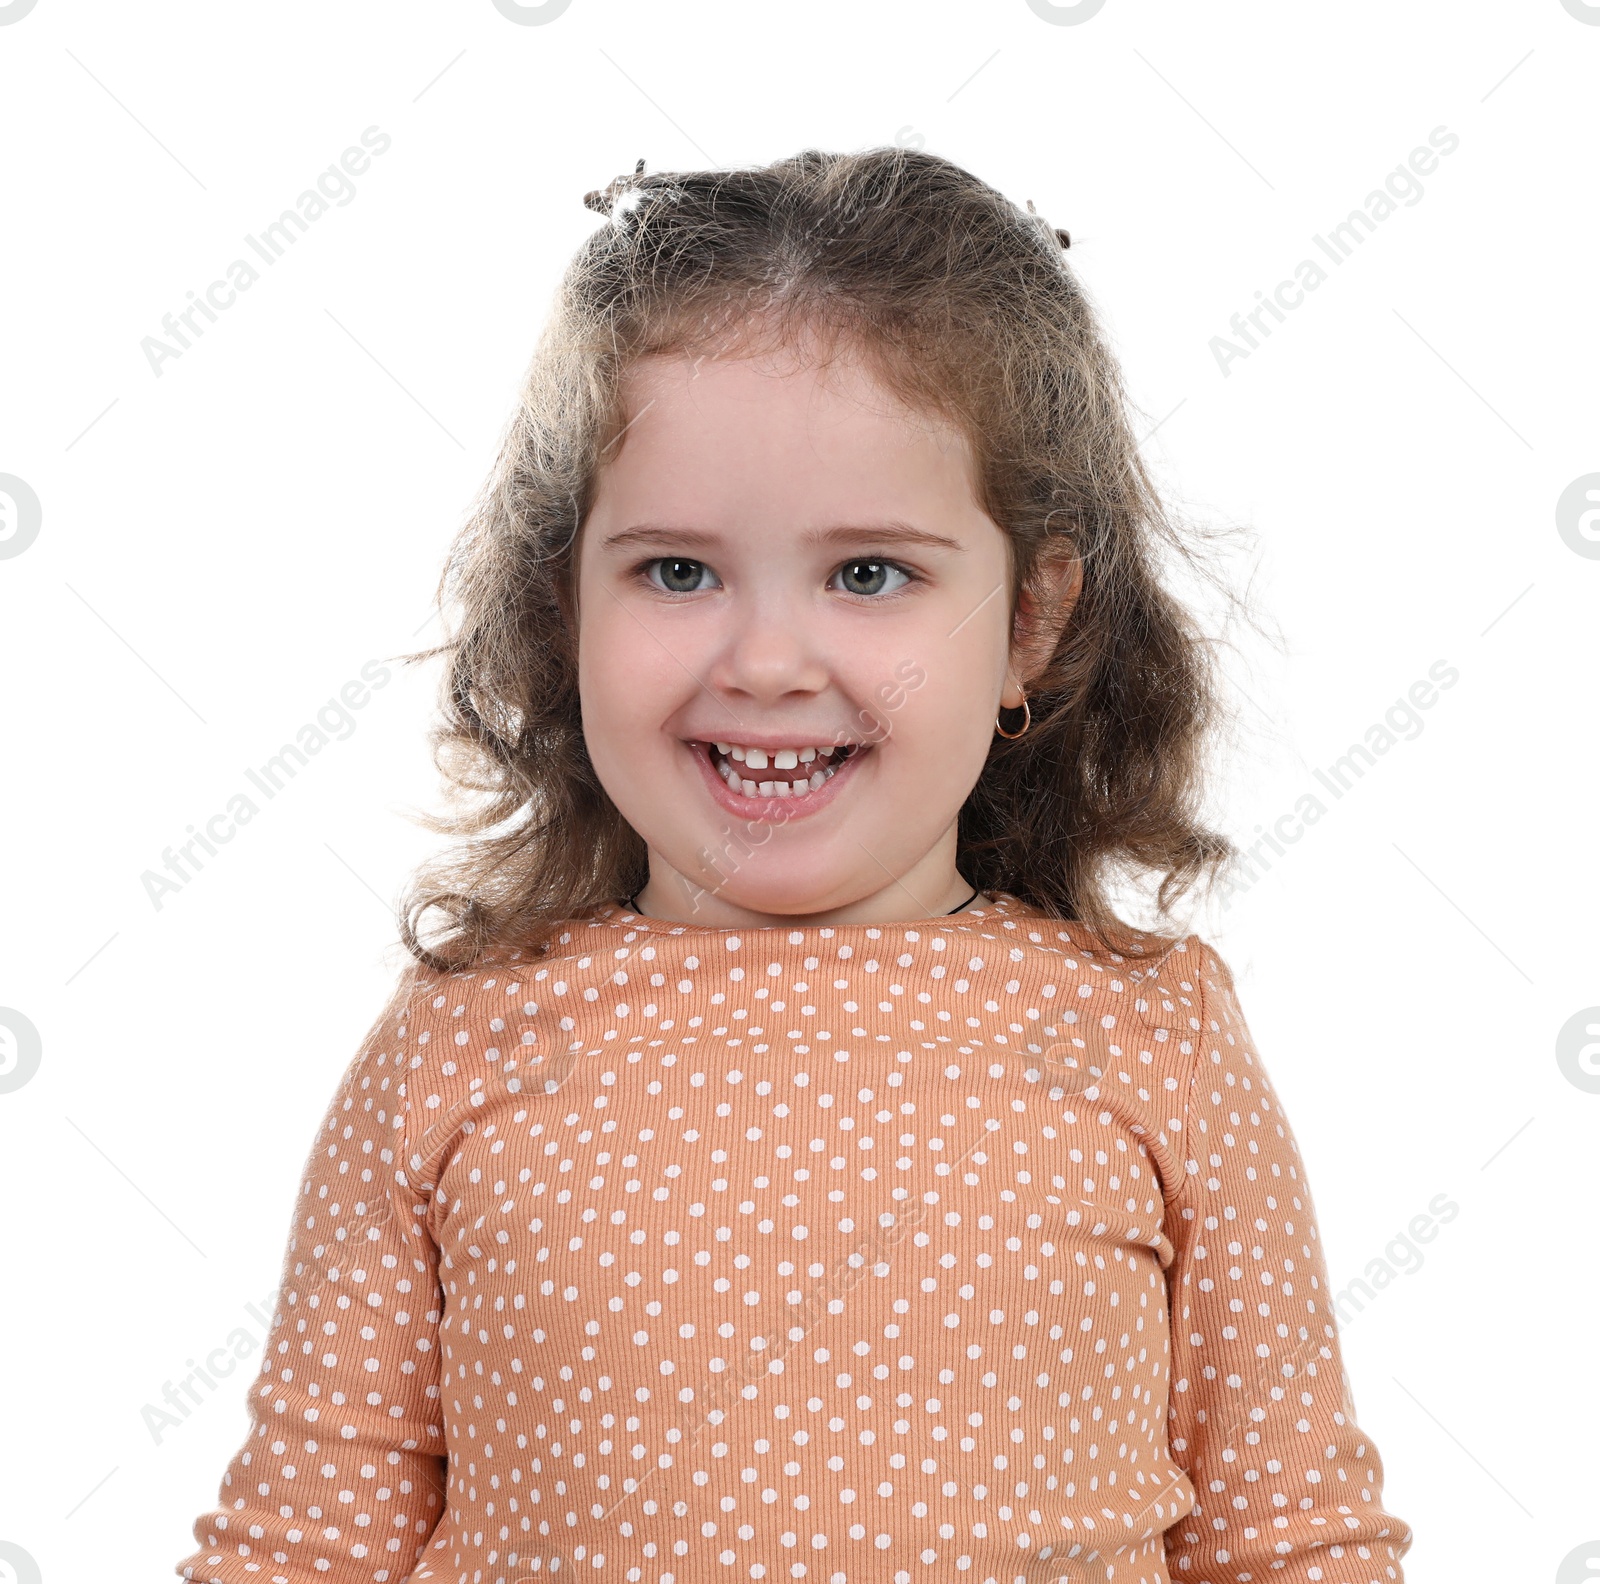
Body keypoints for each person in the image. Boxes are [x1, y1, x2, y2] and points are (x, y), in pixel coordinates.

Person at [172, 147, 1413, 1584]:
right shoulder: (458, 1042)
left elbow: (1293, 1541)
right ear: (561, 596)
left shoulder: (1152, 1038)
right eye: (677, 572)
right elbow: (297, 1550)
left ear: (1031, 619)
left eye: (871, 573)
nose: (765, 662)